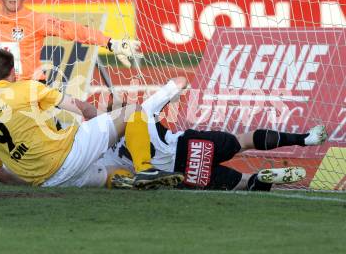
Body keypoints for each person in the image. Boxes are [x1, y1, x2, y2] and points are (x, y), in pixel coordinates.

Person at [0, 49, 183, 189]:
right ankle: (145, 169)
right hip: (68, 155)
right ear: (13, 71)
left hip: (49, 182)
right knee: (132, 111)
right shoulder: (25, 87)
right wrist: (111, 127)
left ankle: (124, 180)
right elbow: (83, 108)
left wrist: (32, 184)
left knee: (113, 172)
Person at [99, 77, 328, 191]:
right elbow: (181, 80)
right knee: (243, 141)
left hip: (176, 173)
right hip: (187, 145)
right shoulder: (144, 110)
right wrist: (163, 94)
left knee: (242, 183)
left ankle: (261, 179)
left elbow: (108, 172)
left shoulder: (105, 151)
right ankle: (303, 139)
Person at [0, 0, 141, 82]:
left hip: (32, 87)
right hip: (2, 87)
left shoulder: (36, 20)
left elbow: (70, 29)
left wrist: (109, 43)